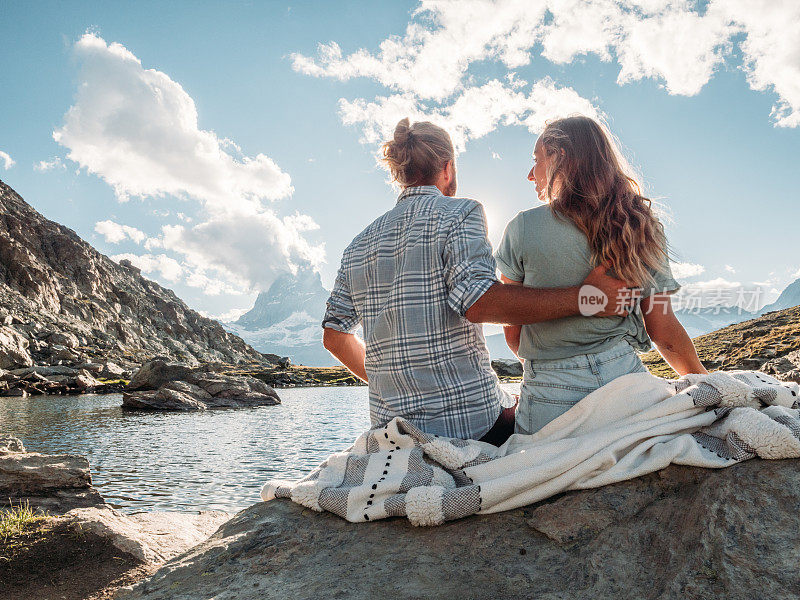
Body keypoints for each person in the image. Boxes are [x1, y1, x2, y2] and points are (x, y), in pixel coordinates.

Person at [322, 117, 638, 446]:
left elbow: (333, 336)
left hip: (391, 428)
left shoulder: (357, 246)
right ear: (447, 169)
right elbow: (479, 303)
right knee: (536, 413)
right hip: (472, 427)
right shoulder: (460, 213)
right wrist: (586, 298)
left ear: (400, 175)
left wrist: (390, 385)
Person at [495, 115, 707, 436]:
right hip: (626, 382)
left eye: (536, 160)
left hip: (551, 394)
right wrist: (706, 383)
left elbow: (513, 335)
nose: (530, 174)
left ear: (559, 158)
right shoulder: (638, 224)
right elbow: (663, 331)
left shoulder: (522, 227)